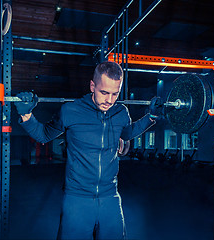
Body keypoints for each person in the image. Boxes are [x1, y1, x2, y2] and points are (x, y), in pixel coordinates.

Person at [14, 61, 163, 240]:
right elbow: (44, 135)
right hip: (77, 198)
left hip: (110, 197)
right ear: (92, 86)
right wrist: (26, 115)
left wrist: (151, 117)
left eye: (115, 94)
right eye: (104, 92)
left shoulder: (121, 112)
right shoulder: (71, 110)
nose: (109, 100)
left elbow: (127, 132)